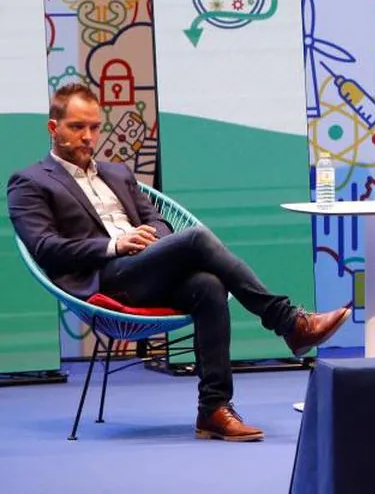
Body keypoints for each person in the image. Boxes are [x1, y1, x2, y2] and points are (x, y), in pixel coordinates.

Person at [7, 83, 351, 441]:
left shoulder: (116, 173)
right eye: (77, 127)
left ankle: (213, 410)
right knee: (197, 238)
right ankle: (287, 321)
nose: (89, 136)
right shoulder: (30, 182)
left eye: (94, 127)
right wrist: (115, 244)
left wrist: (147, 239)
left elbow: (159, 222)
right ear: (53, 128)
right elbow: (45, 248)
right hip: (104, 279)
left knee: (208, 285)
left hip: (146, 268)